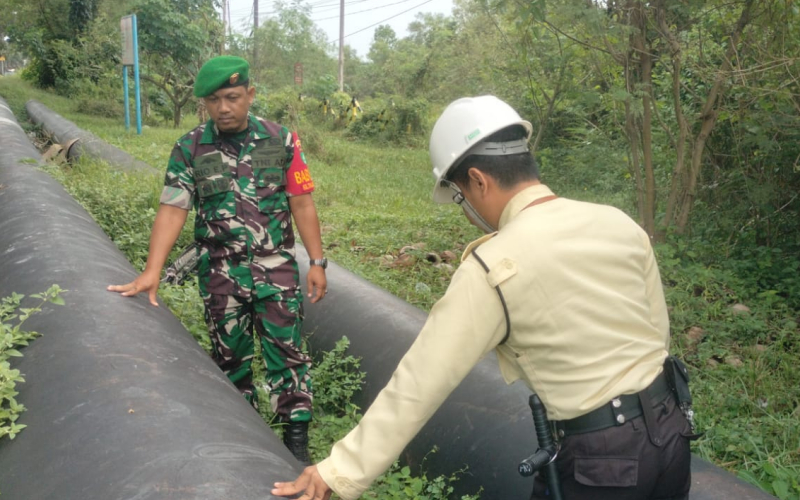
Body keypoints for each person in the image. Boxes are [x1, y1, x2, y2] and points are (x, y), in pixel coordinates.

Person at [272, 95, 693, 499]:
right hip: (671, 432)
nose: (467, 209)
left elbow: (420, 383)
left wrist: (338, 471)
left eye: (460, 196)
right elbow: (657, 333)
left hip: (601, 463)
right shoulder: (616, 222)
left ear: (478, 180)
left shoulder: (495, 266)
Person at [108, 55, 327, 465]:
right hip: (220, 277)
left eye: (232, 97)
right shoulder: (190, 148)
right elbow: (173, 208)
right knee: (230, 359)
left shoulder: (283, 141)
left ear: (250, 94)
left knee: (289, 355)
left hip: (276, 272)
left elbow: (301, 201)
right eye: (213, 101)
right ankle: (241, 442)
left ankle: (296, 444)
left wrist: (317, 261)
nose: (223, 108)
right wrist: (152, 270)